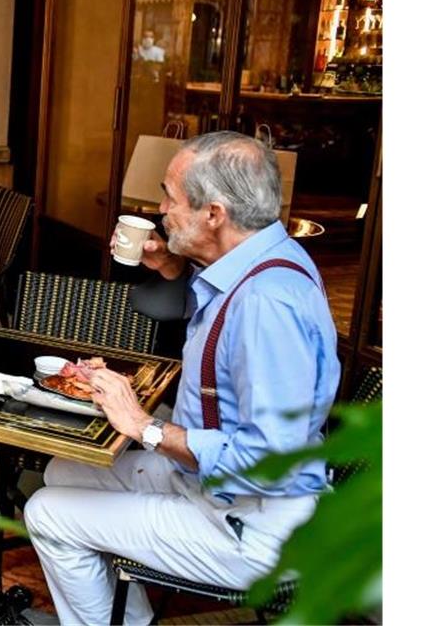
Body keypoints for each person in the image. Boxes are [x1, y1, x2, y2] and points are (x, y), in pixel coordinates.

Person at [23, 131, 340, 625]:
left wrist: (143, 425)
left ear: (213, 214)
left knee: (47, 512)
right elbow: (223, 323)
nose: (161, 208)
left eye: (170, 196)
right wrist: (173, 267)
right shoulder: (259, 264)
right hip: (217, 486)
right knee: (64, 470)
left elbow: (271, 461)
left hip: (252, 525)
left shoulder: (266, 305)